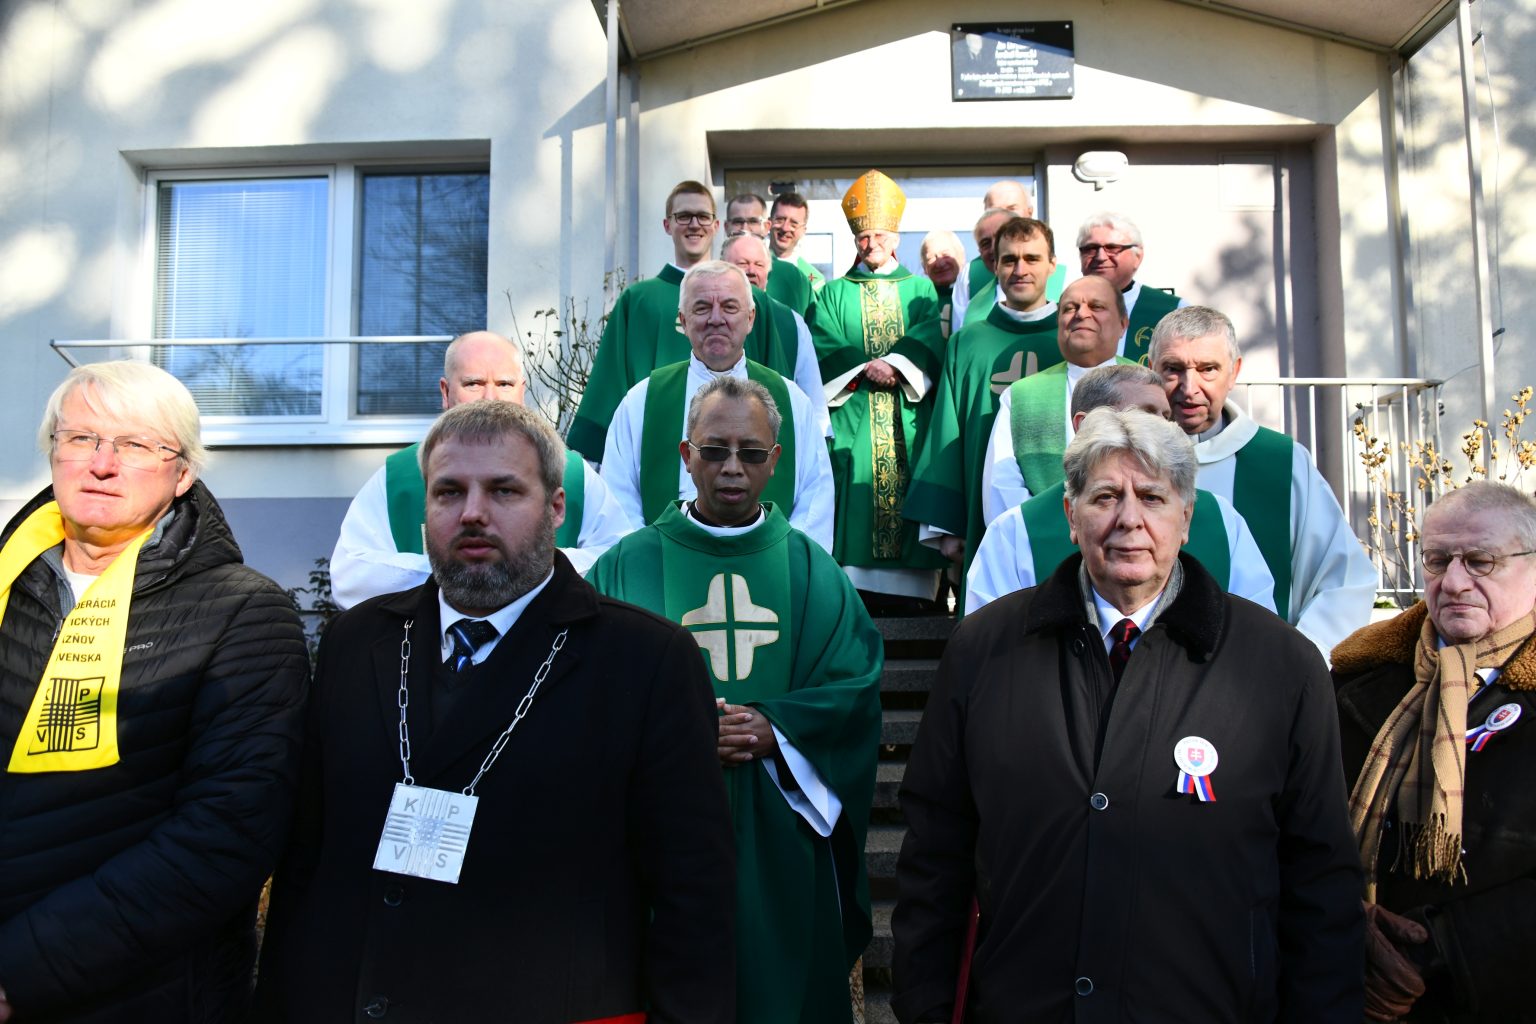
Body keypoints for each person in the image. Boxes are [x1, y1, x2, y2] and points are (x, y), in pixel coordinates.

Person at [256, 400, 735, 1022]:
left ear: (556, 509)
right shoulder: (358, 643)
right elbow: (305, 864)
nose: (473, 513)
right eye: (448, 492)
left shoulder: (646, 660)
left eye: (504, 491)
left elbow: (693, 899)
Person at [893, 407, 1365, 1023]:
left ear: (1187, 518)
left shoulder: (1280, 666)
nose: (1129, 521)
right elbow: (935, 855)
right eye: (1105, 496)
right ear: (1070, 516)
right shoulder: (986, 652)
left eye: (1152, 497)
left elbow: (1321, 880)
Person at [0, 361, 308, 1023]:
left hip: (143, 996)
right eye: (80, 438)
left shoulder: (245, 613)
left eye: (137, 446)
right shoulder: (6, 588)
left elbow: (225, 836)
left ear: (183, 473)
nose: (101, 464)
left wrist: (17, 973)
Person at [589, 375, 883, 1024]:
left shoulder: (813, 571)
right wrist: (685, 731)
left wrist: (774, 727)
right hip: (660, 821)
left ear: (776, 462)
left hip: (781, 822)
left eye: (751, 453)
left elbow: (854, 687)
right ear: (684, 455)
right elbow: (590, 686)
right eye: (714, 450)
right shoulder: (627, 564)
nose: (731, 468)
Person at [1333, 481, 1536, 1023]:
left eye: (1480, 561)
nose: (1453, 581)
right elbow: (1288, 830)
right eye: (1437, 559)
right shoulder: (1353, 684)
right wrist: (1344, 928)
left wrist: (1442, 949)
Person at [329, 331, 632, 607]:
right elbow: (351, 576)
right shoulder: (397, 477)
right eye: (473, 383)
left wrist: (527, 570)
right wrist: (461, 570)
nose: (490, 397)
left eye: (504, 384)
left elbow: (621, 560)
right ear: (446, 392)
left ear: (522, 392)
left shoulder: (574, 474)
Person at [1149, 305, 1376, 658]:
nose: (1188, 388)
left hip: (1258, 672)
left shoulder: (1281, 462)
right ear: (1152, 371)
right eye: (1173, 370)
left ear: (1234, 372)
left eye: (1208, 369)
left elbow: (1343, 580)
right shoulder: (1130, 461)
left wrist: (1296, 659)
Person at [965, 363, 1275, 615]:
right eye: (1144, 414)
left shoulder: (1221, 519)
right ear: (1083, 425)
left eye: (1166, 417)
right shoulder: (1015, 531)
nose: (1163, 429)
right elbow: (990, 649)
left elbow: (1255, 633)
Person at [602, 261, 835, 551]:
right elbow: (618, 496)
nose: (716, 318)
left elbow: (816, 494)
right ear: (683, 321)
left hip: (772, 571)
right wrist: (646, 560)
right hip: (666, 569)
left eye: (729, 307)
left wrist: (792, 560)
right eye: (701, 308)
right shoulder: (643, 401)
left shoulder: (791, 400)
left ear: (750, 318)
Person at [568, 180, 796, 462]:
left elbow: (774, 386)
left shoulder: (751, 299)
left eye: (703, 216)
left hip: (740, 457)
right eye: (683, 216)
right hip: (657, 451)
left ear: (717, 226)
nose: (694, 224)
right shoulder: (638, 301)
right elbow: (611, 386)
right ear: (667, 225)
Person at [811, 169, 947, 609]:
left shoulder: (922, 289)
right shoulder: (833, 292)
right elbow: (822, 339)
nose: (870, 245)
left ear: (895, 236)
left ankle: (916, 602)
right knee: (855, 503)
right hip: (854, 419)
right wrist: (864, 367)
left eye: (878, 236)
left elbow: (932, 333)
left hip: (909, 419)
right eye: (862, 237)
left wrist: (896, 365)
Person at [906, 217, 1063, 576]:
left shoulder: (1071, 341)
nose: (1020, 269)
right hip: (983, 509)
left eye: (1032, 258)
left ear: (1052, 265)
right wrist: (948, 526)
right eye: (1009, 260)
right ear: (994, 266)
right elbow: (948, 432)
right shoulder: (969, 341)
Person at [978, 274, 1135, 523]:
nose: (1081, 314)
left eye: (1096, 306)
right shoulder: (1021, 395)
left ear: (1123, 324)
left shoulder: (1147, 386)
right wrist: (1044, 530)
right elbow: (1002, 481)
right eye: (1070, 308)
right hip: (1045, 540)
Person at [720, 232, 829, 434]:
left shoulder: (791, 321)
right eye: (742, 263)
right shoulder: (709, 319)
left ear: (768, 274)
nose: (751, 271)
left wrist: (819, 434)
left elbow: (810, 390)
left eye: (759, 265)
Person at [1077, 211, 1188, 361]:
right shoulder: (1068, 311)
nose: (1100, 257)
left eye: (1112, 247)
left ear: (1138, 257)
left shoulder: (1173, 311)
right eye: (1091, 248)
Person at [727, 191, 814, 315]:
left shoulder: (798, 278)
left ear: (766, 226)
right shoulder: (711, 274)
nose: (745, 229)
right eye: (780, 219)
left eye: (753, 221)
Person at [770, 191, 825, 292]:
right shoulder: (751, 266)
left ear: (803, 231)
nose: (785, 228)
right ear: (769, 223)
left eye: (793, 224)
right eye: (780, 220)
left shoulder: (814, 281)